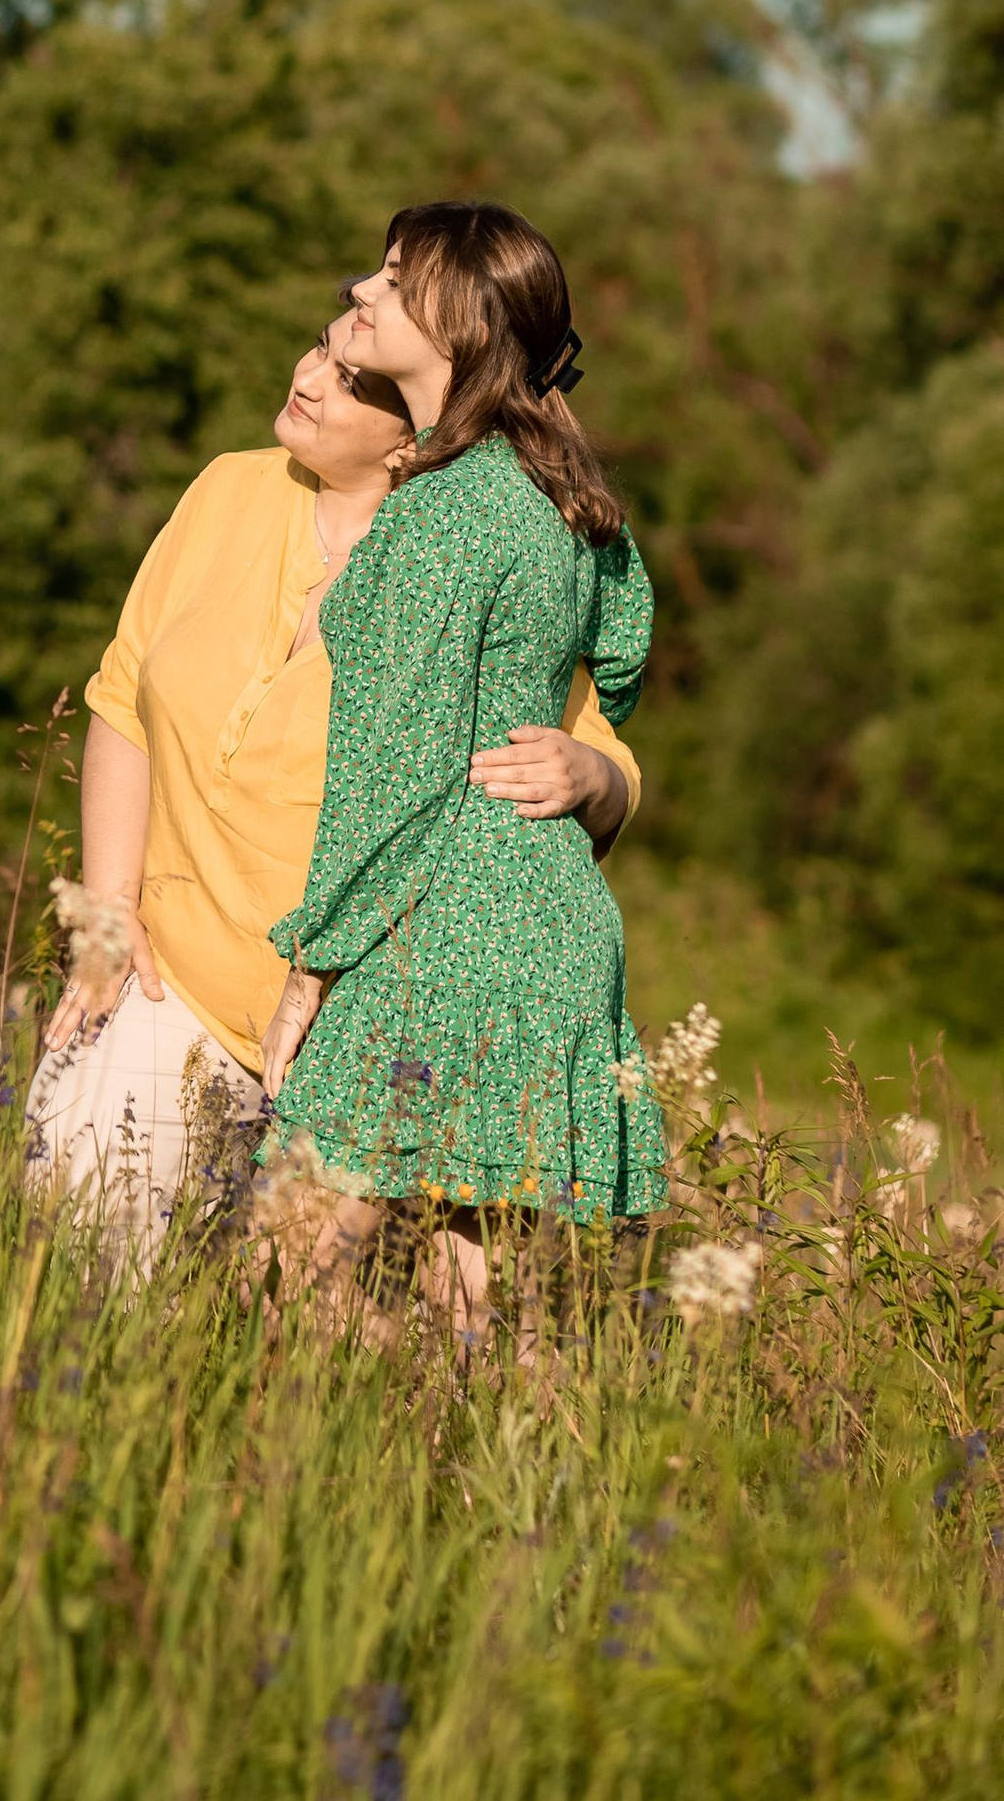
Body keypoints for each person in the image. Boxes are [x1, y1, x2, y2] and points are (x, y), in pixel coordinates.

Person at [28, 313, 639, 1250]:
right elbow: (121, 697)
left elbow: (594, 753)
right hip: (173, 973)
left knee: (307, 1321)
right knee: (68, 1241)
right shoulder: (230, 488)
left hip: (354, 1017)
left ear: (420, 435)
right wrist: (110, 913)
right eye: (318, 347)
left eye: (351, 381)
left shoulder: (470, 543)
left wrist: (595, 776)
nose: (310, 377)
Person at [258, 202, 666, 1323]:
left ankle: (301, 1487)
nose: (362, 292)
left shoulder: (437, 513)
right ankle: (508, 1498)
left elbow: (390, 776)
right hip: (551, 925)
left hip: (447, 925)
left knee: (278, 1271)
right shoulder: (556, 487)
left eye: (392, 280)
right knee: (474, 1318)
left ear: (454, 322)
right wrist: (579, 759)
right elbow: (623, 649)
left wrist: (311, 972)